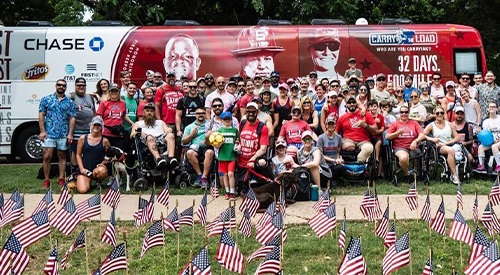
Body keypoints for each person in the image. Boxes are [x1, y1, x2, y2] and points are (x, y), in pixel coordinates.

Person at [38, 79, 76, 188]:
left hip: (63, 134)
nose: (61, 87)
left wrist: (70, 134)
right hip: (49, 133)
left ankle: (61, 178)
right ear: (55, 86)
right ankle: (46, 179)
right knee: (47, 156)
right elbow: (41, 115)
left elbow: (72, 118)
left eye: (63, 85)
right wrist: (42, 131)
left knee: (62, 155)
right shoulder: (46, 99)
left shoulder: (69, 102)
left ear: (66, 87)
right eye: (59, 85)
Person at [416, 106, 461, 184]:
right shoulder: (431, 125)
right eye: (437, 113)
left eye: (441, 113)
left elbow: (457, 137)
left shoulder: (450, 124)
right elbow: (422, 135)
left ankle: (458, 172)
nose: (440, 115)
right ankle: (454, 175)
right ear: (435, 114)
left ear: (444, 114)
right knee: (450, 150)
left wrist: (447, 143)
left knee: (455, 150)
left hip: (450, 144)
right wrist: (432, 139)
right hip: (439, 147)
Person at [235, 102, 272, 189]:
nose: (251, 114)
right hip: (241, 160)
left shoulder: (262, 127)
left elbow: (263, 149)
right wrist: (239, 145)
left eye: (253, 112)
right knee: (242, 189)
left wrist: (252, 159)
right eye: (249, 112)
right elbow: (240, 139)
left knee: (262, 162)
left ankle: (268, 181)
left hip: (254, 160)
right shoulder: (243, 123)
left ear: (257, 113)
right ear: (246, 112)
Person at [130, 103, 178, 169]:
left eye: (152, 111)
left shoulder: (160, 122)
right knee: (150, 137)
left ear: (154, 113)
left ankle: (171, 158)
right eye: (147, 111)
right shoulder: (138, 123)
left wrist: (169, 129)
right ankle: (158, 159)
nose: (150, 113)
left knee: (170, 135)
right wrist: (138, 132)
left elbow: (167, 130)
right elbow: (132, 134)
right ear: (143, 113)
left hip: (161, 140)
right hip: (147, 141)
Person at [386, 105, 423, 180]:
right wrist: (397, 133)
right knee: (404, 158)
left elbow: (422, 135)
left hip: (413, 147)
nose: (404, 114)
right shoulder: (395, 124)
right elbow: (387, 136)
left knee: (418, 155)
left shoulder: (414, 123)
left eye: (406, 112)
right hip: (399, 147)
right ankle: (406, 174)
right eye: (402, 112)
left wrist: (415, 141)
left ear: (408, 113)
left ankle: (415, 170)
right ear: (399, 113)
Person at [336, 95, 376, 163]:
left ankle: (359, 162)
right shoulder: (342, 118)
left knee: (369, 148)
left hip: (364, 140)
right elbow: (336, 132)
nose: (352, 104)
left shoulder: (365, 114)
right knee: (350, 147)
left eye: (353, 102)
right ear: (346, 105)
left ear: (356, 103)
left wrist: (365, 125)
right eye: (349, 103)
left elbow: (375, 128)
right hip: (348, 139)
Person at [75, 116, 110, 193]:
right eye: (95, 125)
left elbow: (108, 156)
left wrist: (102, 164)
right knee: (83, 190)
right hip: (85, 169)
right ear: (91, 125)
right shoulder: (82, 138)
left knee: (102, 171)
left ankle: (98, 181)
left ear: (102, 127)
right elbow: (78, 154)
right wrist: (81, 169)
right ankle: (86, 181)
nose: (96, 127)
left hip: (97, 170)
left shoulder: (105, 141)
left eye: (98, 125)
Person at [69, 78, 96, 174]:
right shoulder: (71, 96)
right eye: (79, 85)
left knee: (88, 150)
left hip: (88, 130)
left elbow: (94, 112)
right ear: (75, 86)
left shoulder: (90, 97)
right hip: (76, 130)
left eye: (83, 85)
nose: (81, 87)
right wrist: (70, 133)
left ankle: (87, 170)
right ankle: (75, 172)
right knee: (75, 151)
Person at [182, 107, 213, 188]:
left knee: (210, 152)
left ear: (205, 114)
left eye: (203, 113)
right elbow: (183, 141)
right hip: (195, 147)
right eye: (198, 113)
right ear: (195, 115)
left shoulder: (210, 125)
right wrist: (191, 135)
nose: (201, 115)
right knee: (189, 152)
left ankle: (204, 177)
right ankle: (199, 175)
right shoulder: (189, 127)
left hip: (207, 146)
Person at [96, 84, 134, 150]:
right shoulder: (104, 103)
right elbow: (98, 117)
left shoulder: (123, 103)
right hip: (106, 133)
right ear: (109, 92)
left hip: (117, 133)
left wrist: (132, 123)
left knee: (118, 154)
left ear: (119, 92)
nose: (114, 93)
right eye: (112, 91)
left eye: (116, 91)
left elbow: (124, 115)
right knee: (104, 153)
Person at [317, 117, 346, 187]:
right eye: (329, 124)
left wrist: (338, 160)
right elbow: (320, 155)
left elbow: (338, 151)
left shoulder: (339, 137)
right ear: (326, 125)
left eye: (332, 124)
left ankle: (333, 179)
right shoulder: (321, 138)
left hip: (334, 164)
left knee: (342, 168)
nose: (330, 126)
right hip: (324, 163)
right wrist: (334, 160)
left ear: (335, 125)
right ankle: (328, 180)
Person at [216, 112, 239, 200]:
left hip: (231, 155)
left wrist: (237, 144)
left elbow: (237, 140)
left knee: (230, 174)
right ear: (221, 120)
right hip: (222, 155)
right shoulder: (219, 131)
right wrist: (218, 144)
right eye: (225, 119)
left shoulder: (234, 130)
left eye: (228, 119)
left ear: (231, 120)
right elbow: (216, 145)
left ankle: (232, 192)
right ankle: (227, 192)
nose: (227, 120)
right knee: (225, 174)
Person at [476, 102, 500, 172]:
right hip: (490, 141)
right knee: (480, 147)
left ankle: (499, 165)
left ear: (497, 109)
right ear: (488, 109)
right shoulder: (486, 122)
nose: (491, 108)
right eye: (490, 107)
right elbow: (485, 134)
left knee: (494, 147)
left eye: (493, 106)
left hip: (498, 141)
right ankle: (482, 165)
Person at [368, 100, 385, 177]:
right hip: (369, 137)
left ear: (377, 107)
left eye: (375, 106)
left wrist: (377, 132)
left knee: (379, 144)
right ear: (368, 108)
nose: (373, 108)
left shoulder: (380, 117)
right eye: (371, 106)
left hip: (378, 136)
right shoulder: (367, 116)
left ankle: (379, 171)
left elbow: (382, 128)